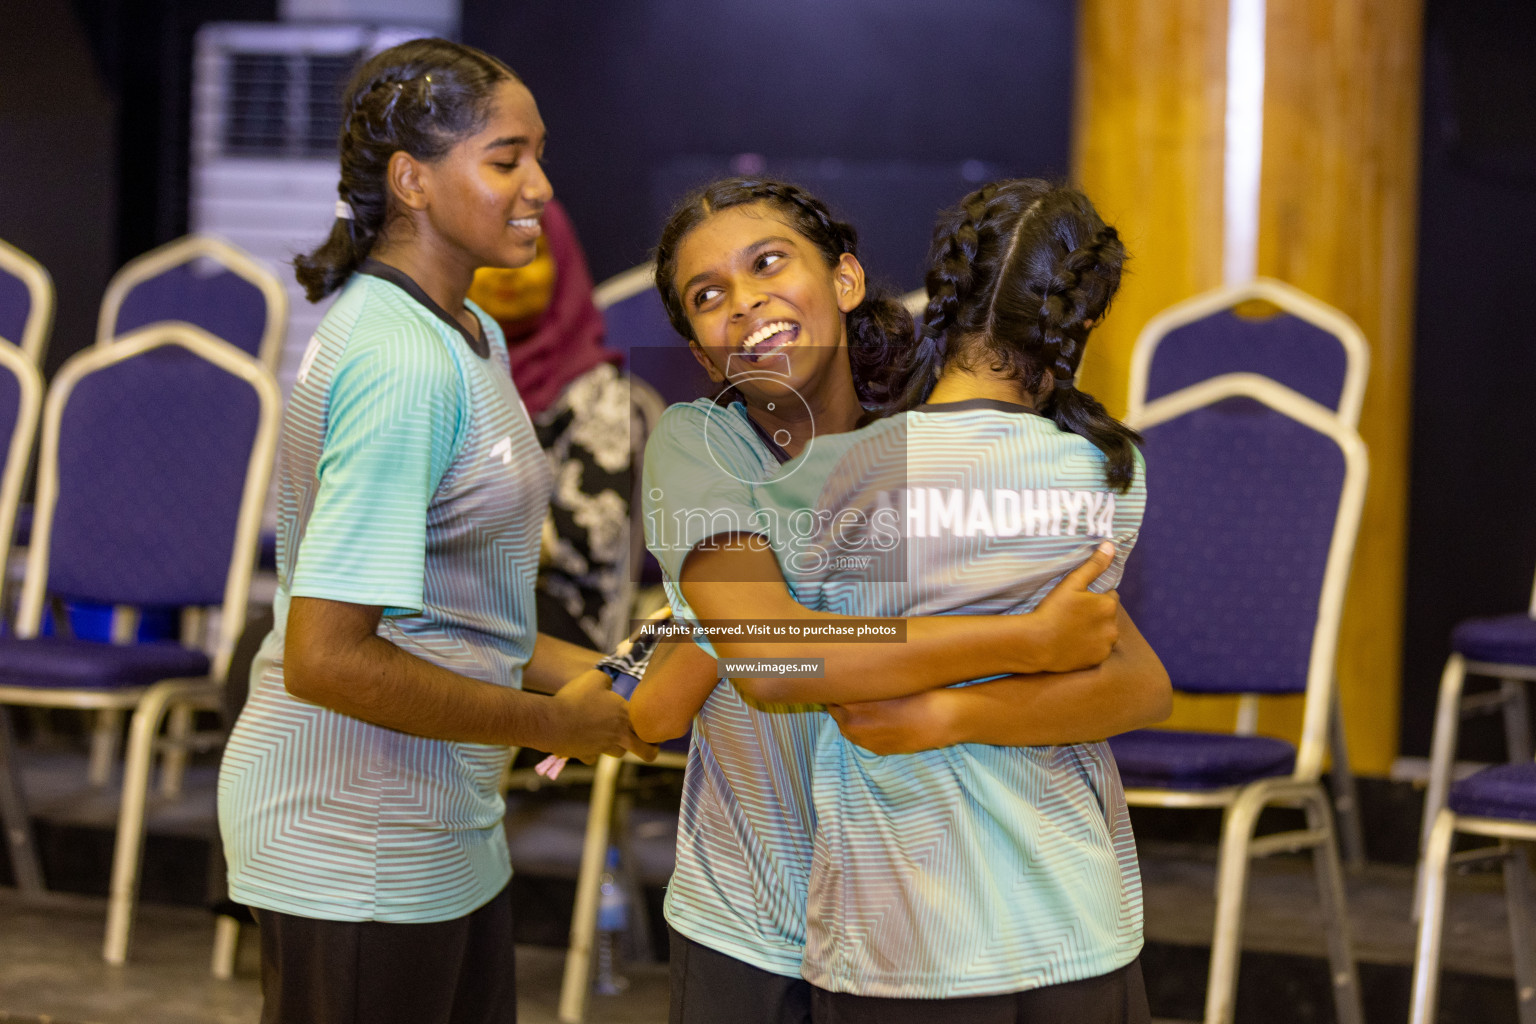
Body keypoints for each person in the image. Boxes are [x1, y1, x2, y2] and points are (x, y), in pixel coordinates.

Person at [626, 177, 1168, 1024]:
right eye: (708, 295)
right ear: (701, 351)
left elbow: (1133, 680)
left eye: (769, 263)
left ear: (846, 281)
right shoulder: (700, 448)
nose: (746, 301)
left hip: (939, 918)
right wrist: (1023, 642)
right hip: (757, 925)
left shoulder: (938, 442)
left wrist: (959, 713)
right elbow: (774, 655)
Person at [217, 38, 653, 1024]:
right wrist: (557, 724)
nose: (541, 185)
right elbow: (329, 658)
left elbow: (460, 615)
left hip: (443, 825)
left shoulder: (470, 334)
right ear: (412, 180)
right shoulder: (398, 364)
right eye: (507, 158)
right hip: (353, 838)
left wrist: (614, 672)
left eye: (538, 155)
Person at [466, 200, 642, 651]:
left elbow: (587, 534)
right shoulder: (440, 372)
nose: (508, 270)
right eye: (489, 252)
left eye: (531, 252)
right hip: (450, 598)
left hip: (558, 615)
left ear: (562, 266)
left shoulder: (602, 392)